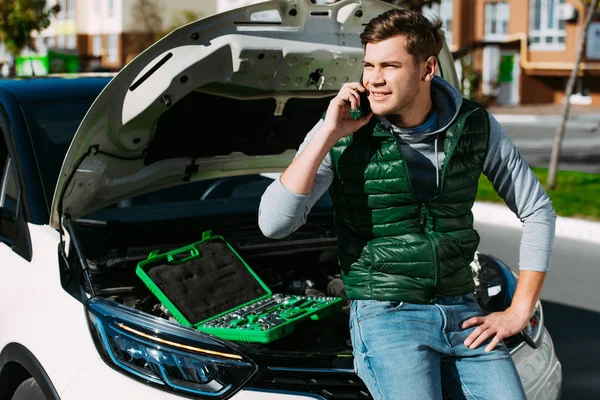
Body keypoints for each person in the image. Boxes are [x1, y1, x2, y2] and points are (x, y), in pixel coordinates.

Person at [258, 8, 555, 400]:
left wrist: (519, 310)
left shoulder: (474, 125)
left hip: (463, 310)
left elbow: (538, 210)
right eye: (368, 65)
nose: (373, 79)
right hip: (387, 314)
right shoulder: (342, 128)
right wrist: (329, 132)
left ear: (427, 69)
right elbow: (274, 224)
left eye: (389, 65)